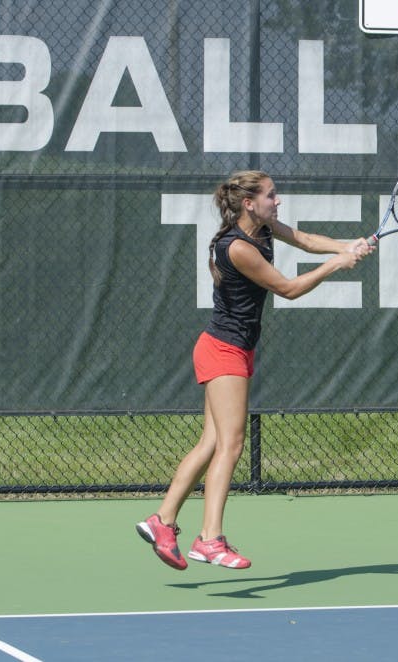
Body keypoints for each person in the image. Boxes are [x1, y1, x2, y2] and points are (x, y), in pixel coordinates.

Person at [137, 170, 373, 570]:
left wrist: (346, 245)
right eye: (271, 196)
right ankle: (209, 539)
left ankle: (162, 520)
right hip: (223, 350)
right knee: (231, 444)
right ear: (249, 203)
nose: (277, 201)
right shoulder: (239, 247)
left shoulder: (263, 229)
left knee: (211, 443)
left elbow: (302, 239)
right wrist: (337, 265)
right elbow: (288, 289)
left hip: (232, 349)